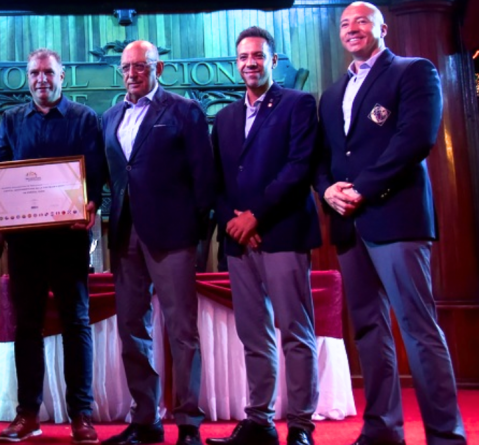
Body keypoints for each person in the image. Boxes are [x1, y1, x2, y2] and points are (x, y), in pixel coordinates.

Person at [315, 2, 467, 444]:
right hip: (349, 225)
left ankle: (445, 434)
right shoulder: (331, 93)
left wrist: (361, 188)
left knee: (418, 328)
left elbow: (414, 139)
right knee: (368, 329)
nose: (352, 28)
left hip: (396, 217)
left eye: (361, 21)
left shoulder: (413, 71)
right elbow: (323, 159)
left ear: (382, 27)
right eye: (344, 24)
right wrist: (327, 190)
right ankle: (382, 429)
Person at [205, 27, 320, 445]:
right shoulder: (227, 116)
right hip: (239, 242)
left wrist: (255, 217)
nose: (250, 63)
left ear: (273, 61)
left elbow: (298, 168)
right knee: (253, 334)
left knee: (295, 333)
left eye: (258, 56)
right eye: (243, 57)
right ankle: (260, 421)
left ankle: (302, 426)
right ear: (236, 64)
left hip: (284, 233)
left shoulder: (298, 104)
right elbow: (215, 180)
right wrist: (234, 220)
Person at [0, 48, 104, 444]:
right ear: (28, 77)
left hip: (69, 240)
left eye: (48, 73)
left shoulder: (84, 118)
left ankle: (81, 415)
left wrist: (90, 202)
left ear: (62, 76)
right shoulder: (12, 120)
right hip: (25, 244)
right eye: (35, 72)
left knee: (75, 323)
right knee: (28, 326)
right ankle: (28, 414)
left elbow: (97, 175)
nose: (41, 79)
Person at [101, 40, 213, 445]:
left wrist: (200, 237)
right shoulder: (110, 116)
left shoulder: (184, 111)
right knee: (132, 328)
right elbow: (110, 176)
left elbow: (205, 179)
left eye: (140, 66)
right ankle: (145, 419)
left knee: (182, 330)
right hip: (124, 236)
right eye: (126, 67)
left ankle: (188, 423)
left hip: (174, 237)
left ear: (158, 68)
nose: (132, 73)